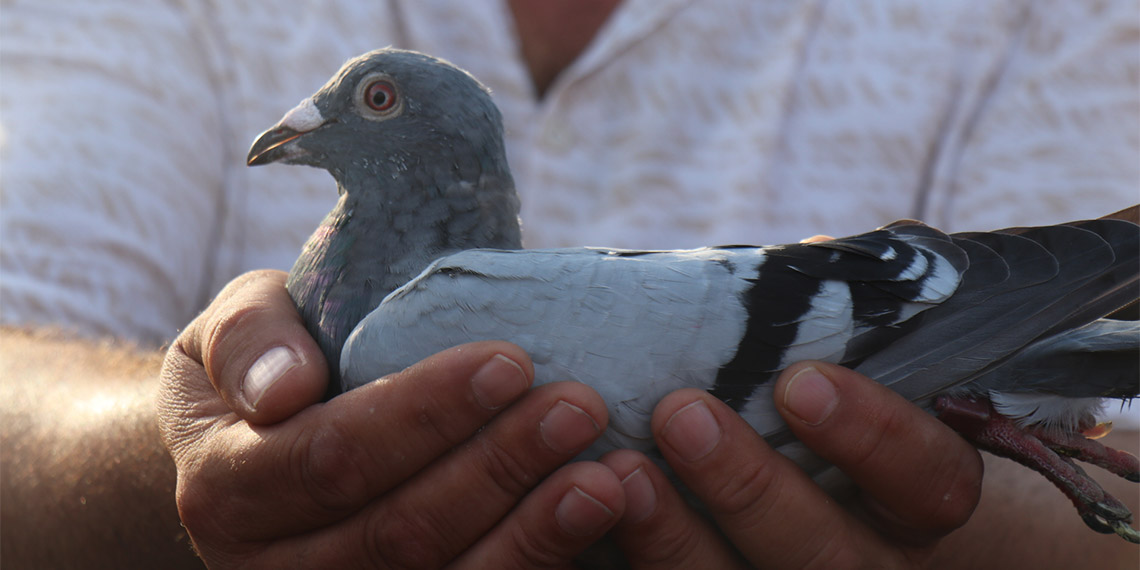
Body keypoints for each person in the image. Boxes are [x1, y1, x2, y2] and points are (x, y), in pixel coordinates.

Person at [1, 0, 1136, 567]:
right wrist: (197, 468)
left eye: (370, 104)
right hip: (831, 321)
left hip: (861, 334)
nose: (304, 124)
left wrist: (979, 544)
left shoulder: (414, 330)